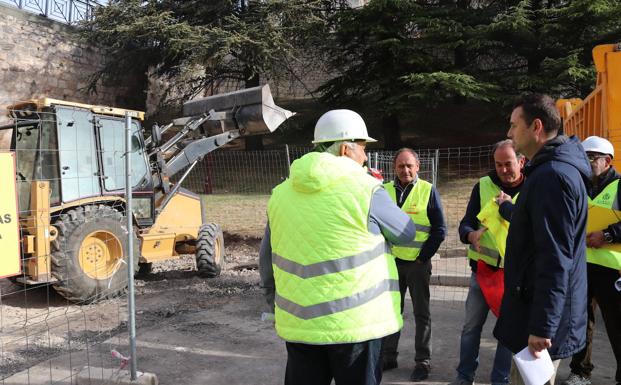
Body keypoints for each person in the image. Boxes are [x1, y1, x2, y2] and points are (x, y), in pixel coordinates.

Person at [259, 109, 417, 385]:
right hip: (357, 328)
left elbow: (266, 259)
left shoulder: (281, 193)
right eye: (363, 149)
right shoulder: (366, 189)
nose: (366, 157)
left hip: (300, 328)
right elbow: (406, 233)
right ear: (346, 149)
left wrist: (273, 303)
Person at [493, 94, 590, 385]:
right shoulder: (551, 170)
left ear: (535, 126)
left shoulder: (552, 176)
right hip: (539, 311)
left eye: (513, 125)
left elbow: (555, 258)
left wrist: (542, 326)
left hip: (540, 322)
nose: (509, 133)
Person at [449, 139, 525, 385]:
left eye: (509, 164)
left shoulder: (535, 187)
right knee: (471, 328)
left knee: (507, 333)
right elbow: (465, 223)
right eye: (498, 164)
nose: (503, 170)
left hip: (515, 278)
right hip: (482, 274)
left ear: (521, 161)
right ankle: (464, 376)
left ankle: (499, 380)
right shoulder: (483, 186)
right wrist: (470, 235)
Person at [380, 148, 446, 381]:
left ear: (418, 167)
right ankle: (388, 356)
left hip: (418, 264)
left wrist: (423, 256)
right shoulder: (384, 191)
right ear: (394, 168)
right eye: (401, 166)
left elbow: (440, 230)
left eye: (410, 165)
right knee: (390, 312)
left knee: (421, 314)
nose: (405, 170)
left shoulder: (428, 191)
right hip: (392, 263)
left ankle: (422, 361)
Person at [559, 136, 621, 385]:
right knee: (580, 322)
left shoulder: (619, 186)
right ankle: (580, 372)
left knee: (617, 325)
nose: (587, 162)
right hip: (581, 266)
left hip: (612, 269)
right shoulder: (579, 186)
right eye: (583, 157)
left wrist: (607, 235)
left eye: (592, 158)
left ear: (607, 161)